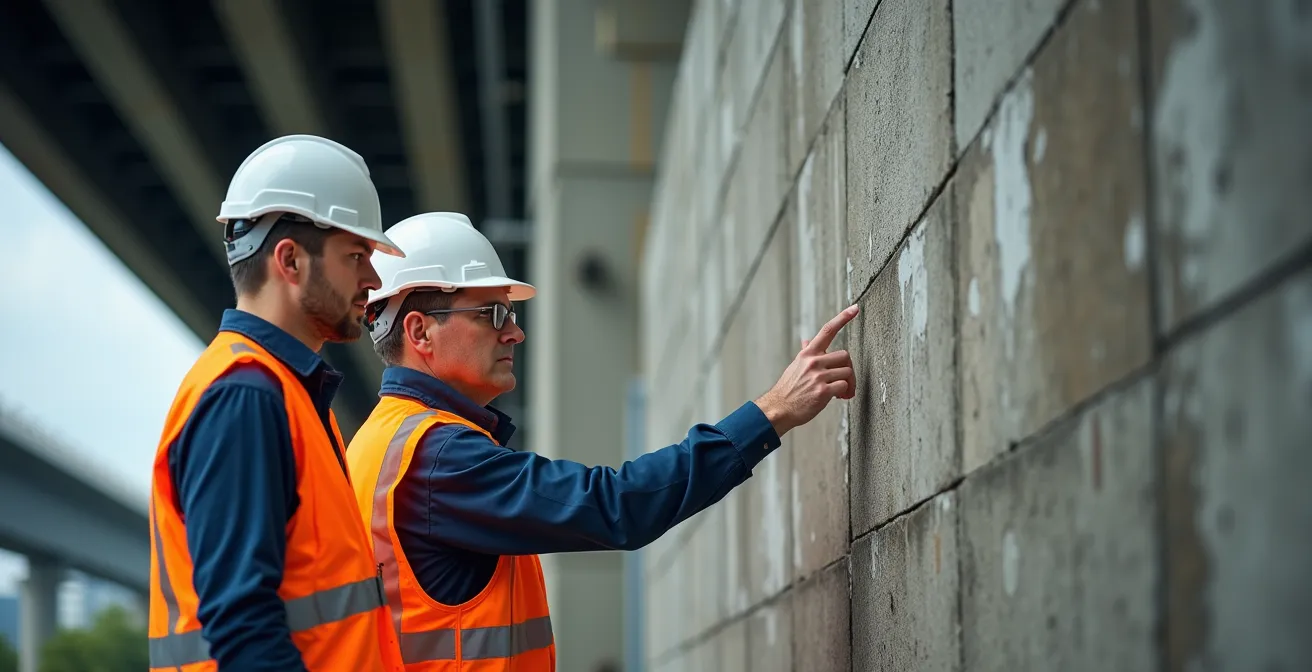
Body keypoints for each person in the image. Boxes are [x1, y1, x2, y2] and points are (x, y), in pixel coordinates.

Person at [345, 212, 858, 670]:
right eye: (493, 314)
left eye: (512, 315)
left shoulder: (373, 445)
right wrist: (772, 412)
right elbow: (612, 506)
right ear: (419, 332)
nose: (515, 334)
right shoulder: (436, 458)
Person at [146, 135, 408, 672]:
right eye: (356, 255)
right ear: (290, 260)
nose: (373, 280)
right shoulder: (246, 396)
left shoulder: (284, 394)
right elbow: (244, 629)